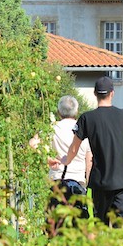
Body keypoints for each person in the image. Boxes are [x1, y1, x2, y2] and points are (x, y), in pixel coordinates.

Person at [65, 76, 123, 225]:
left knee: (100, 224)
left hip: (100, 181)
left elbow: (74, 147)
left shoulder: (87, 118)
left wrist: (66, 160)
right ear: (112, 93)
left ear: (94, 93)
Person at [44, 94, 92, 229]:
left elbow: (33, 144)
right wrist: (89, 186)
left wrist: (47, 159)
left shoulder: (52, 128)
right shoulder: (83, 129)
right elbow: (89, 161)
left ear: (59, 112)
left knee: (56, 224)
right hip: (78, 182)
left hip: (57, 180)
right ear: (76, 111)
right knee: (79, 225)